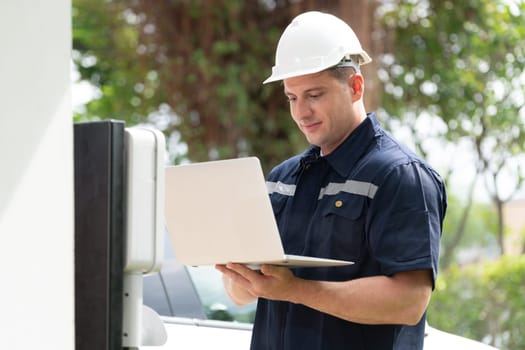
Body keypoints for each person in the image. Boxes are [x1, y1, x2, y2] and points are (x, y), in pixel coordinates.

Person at [215, 10, 447, 350]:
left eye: (314, 95)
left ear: (355, 87)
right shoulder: (282, 179)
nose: (300, 113)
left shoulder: (400, 175)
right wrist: (239, 272)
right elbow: (239, 296)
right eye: (292, 98)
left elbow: (409, 301)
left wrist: (295, 289)